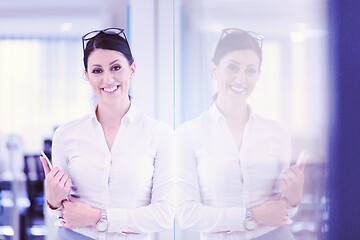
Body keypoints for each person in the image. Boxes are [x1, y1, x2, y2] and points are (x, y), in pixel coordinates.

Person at [40, 28, 175, 240]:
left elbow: (163, 215)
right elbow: (61, 213)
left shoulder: (160, 135)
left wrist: (98, 217)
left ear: (132, 69)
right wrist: (52, 200)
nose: (108, 79)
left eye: (116, 67)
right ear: (87, 76)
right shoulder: (66, 135)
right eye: (97, 71)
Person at [175, 28, 305, 240]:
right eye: (232, 67)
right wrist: (253, 216)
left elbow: (282, 212)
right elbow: (187, 215)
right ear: (214, 70)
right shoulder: (188, 134)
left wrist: (293, 199)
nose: (241, 79)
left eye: (250, 70)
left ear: (258, 76)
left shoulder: (277, 133)